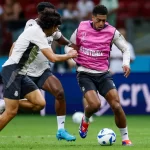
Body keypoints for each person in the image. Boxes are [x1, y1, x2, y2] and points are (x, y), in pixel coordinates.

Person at [0, 2, 77, 141]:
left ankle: (5, 103)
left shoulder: (44, 30)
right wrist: (70, 55)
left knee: (39, 104)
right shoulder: (35, 29)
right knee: (11, 112)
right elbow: (52, 57)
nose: (56, 31)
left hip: (23, 72)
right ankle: (8, 104)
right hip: (14, 70)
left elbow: (60, 39)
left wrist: (73, 45)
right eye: (56, 28)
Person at [64, 5, 132, 146]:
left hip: (103, 74)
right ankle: (86, 119)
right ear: (93, 17)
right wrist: (70, 57)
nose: (102, 23)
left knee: (117, 106)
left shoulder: (111, 31)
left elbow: (125, 48)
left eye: (104, 20)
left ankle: (125, 138)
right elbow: (70, 45)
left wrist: (126, 63)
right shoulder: (82, 27)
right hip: (84, 73)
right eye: (99, 20)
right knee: (95, 105)